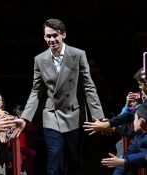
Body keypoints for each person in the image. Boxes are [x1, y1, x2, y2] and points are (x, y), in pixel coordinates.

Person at [12, 18, 105, 175]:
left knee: (74, 160)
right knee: (54, 157)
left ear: (63, 34)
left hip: (74, 114)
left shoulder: (77, 55)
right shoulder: (40, 59)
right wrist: (25, 118)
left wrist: (98, 116)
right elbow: (36, 90)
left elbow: (88, 86)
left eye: (55, 35)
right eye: (48, 36)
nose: (51, 40)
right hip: (51, 114)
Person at [101, 103, 147, 174]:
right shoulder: (138, 136)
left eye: (134, 119)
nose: (133, 122)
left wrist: (124, 161)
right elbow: (128, 155)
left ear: (141, 122)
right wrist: (122, 162)